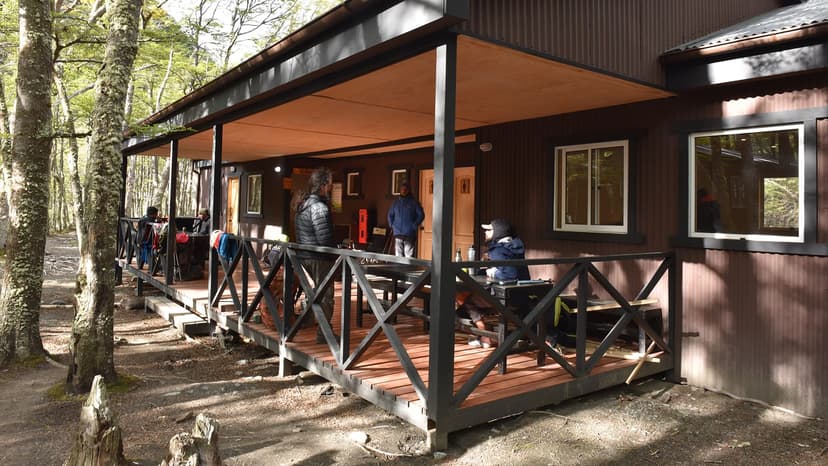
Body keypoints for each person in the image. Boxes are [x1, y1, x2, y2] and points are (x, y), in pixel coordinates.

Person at [460, 219, 530, 348]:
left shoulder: (498, 250)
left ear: (498, 232)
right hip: (521, 296)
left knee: (466, 299)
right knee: (472, 296)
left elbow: (509, 275)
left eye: (489, 230)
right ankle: (486, 336)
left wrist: (492, 272)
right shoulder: (515, 246)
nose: (485, 232)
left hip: (506, 300)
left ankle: (486, 336)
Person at [294, 167, 336, 344]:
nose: (332, 187)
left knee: (314, 293)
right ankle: (324, 334)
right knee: (326, 295)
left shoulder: (303, 205)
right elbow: (324, 238)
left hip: (304, 256)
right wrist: (337, 248)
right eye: (331, 183)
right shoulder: (319, 208)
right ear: (324, 185)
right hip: (318, 257)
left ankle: (307, 321)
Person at [387, 182, 425, 257]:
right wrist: (391, 225)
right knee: (398, 257)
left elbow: (421, 215)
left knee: (409, 257)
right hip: (398, 233)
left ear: (408, 191)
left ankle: (408, 269)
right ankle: (399, 269)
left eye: (405, 189)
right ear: (400, 191)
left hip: (409, 233)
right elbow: (390, 214)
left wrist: (414, 225)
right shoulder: (396, 203)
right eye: (402, 189)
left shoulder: (414, 202)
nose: (403, 191)